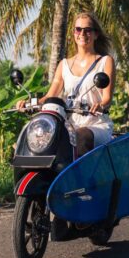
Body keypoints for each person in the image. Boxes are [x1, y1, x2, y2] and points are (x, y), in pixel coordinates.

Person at [18, 12, 115, 156]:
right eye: (78, 29)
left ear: (96, 34)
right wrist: (29, 104)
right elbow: (50, 96)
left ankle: (80, 178)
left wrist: (100, 105)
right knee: (38, 136)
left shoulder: (105, 61)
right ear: (74, 33)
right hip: (69, 126)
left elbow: (107, 98)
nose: (82, 33)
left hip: (95, 125)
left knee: (79, 137)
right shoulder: (64, 64)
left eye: (87, 30)